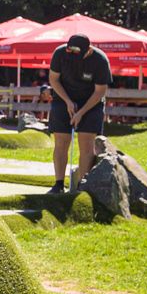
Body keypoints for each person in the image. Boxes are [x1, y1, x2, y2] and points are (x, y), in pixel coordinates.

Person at [48, 32, 112, 191]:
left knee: (86, 144)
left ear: (88, 50)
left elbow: (100, 91)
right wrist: (68, 102)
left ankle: (82, 186)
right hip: (63, 98)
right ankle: (58, 184)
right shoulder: (60, 53)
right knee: (61, 141)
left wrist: (81, 112)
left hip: (91, 102)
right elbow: (53, 79)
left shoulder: (100, 60)